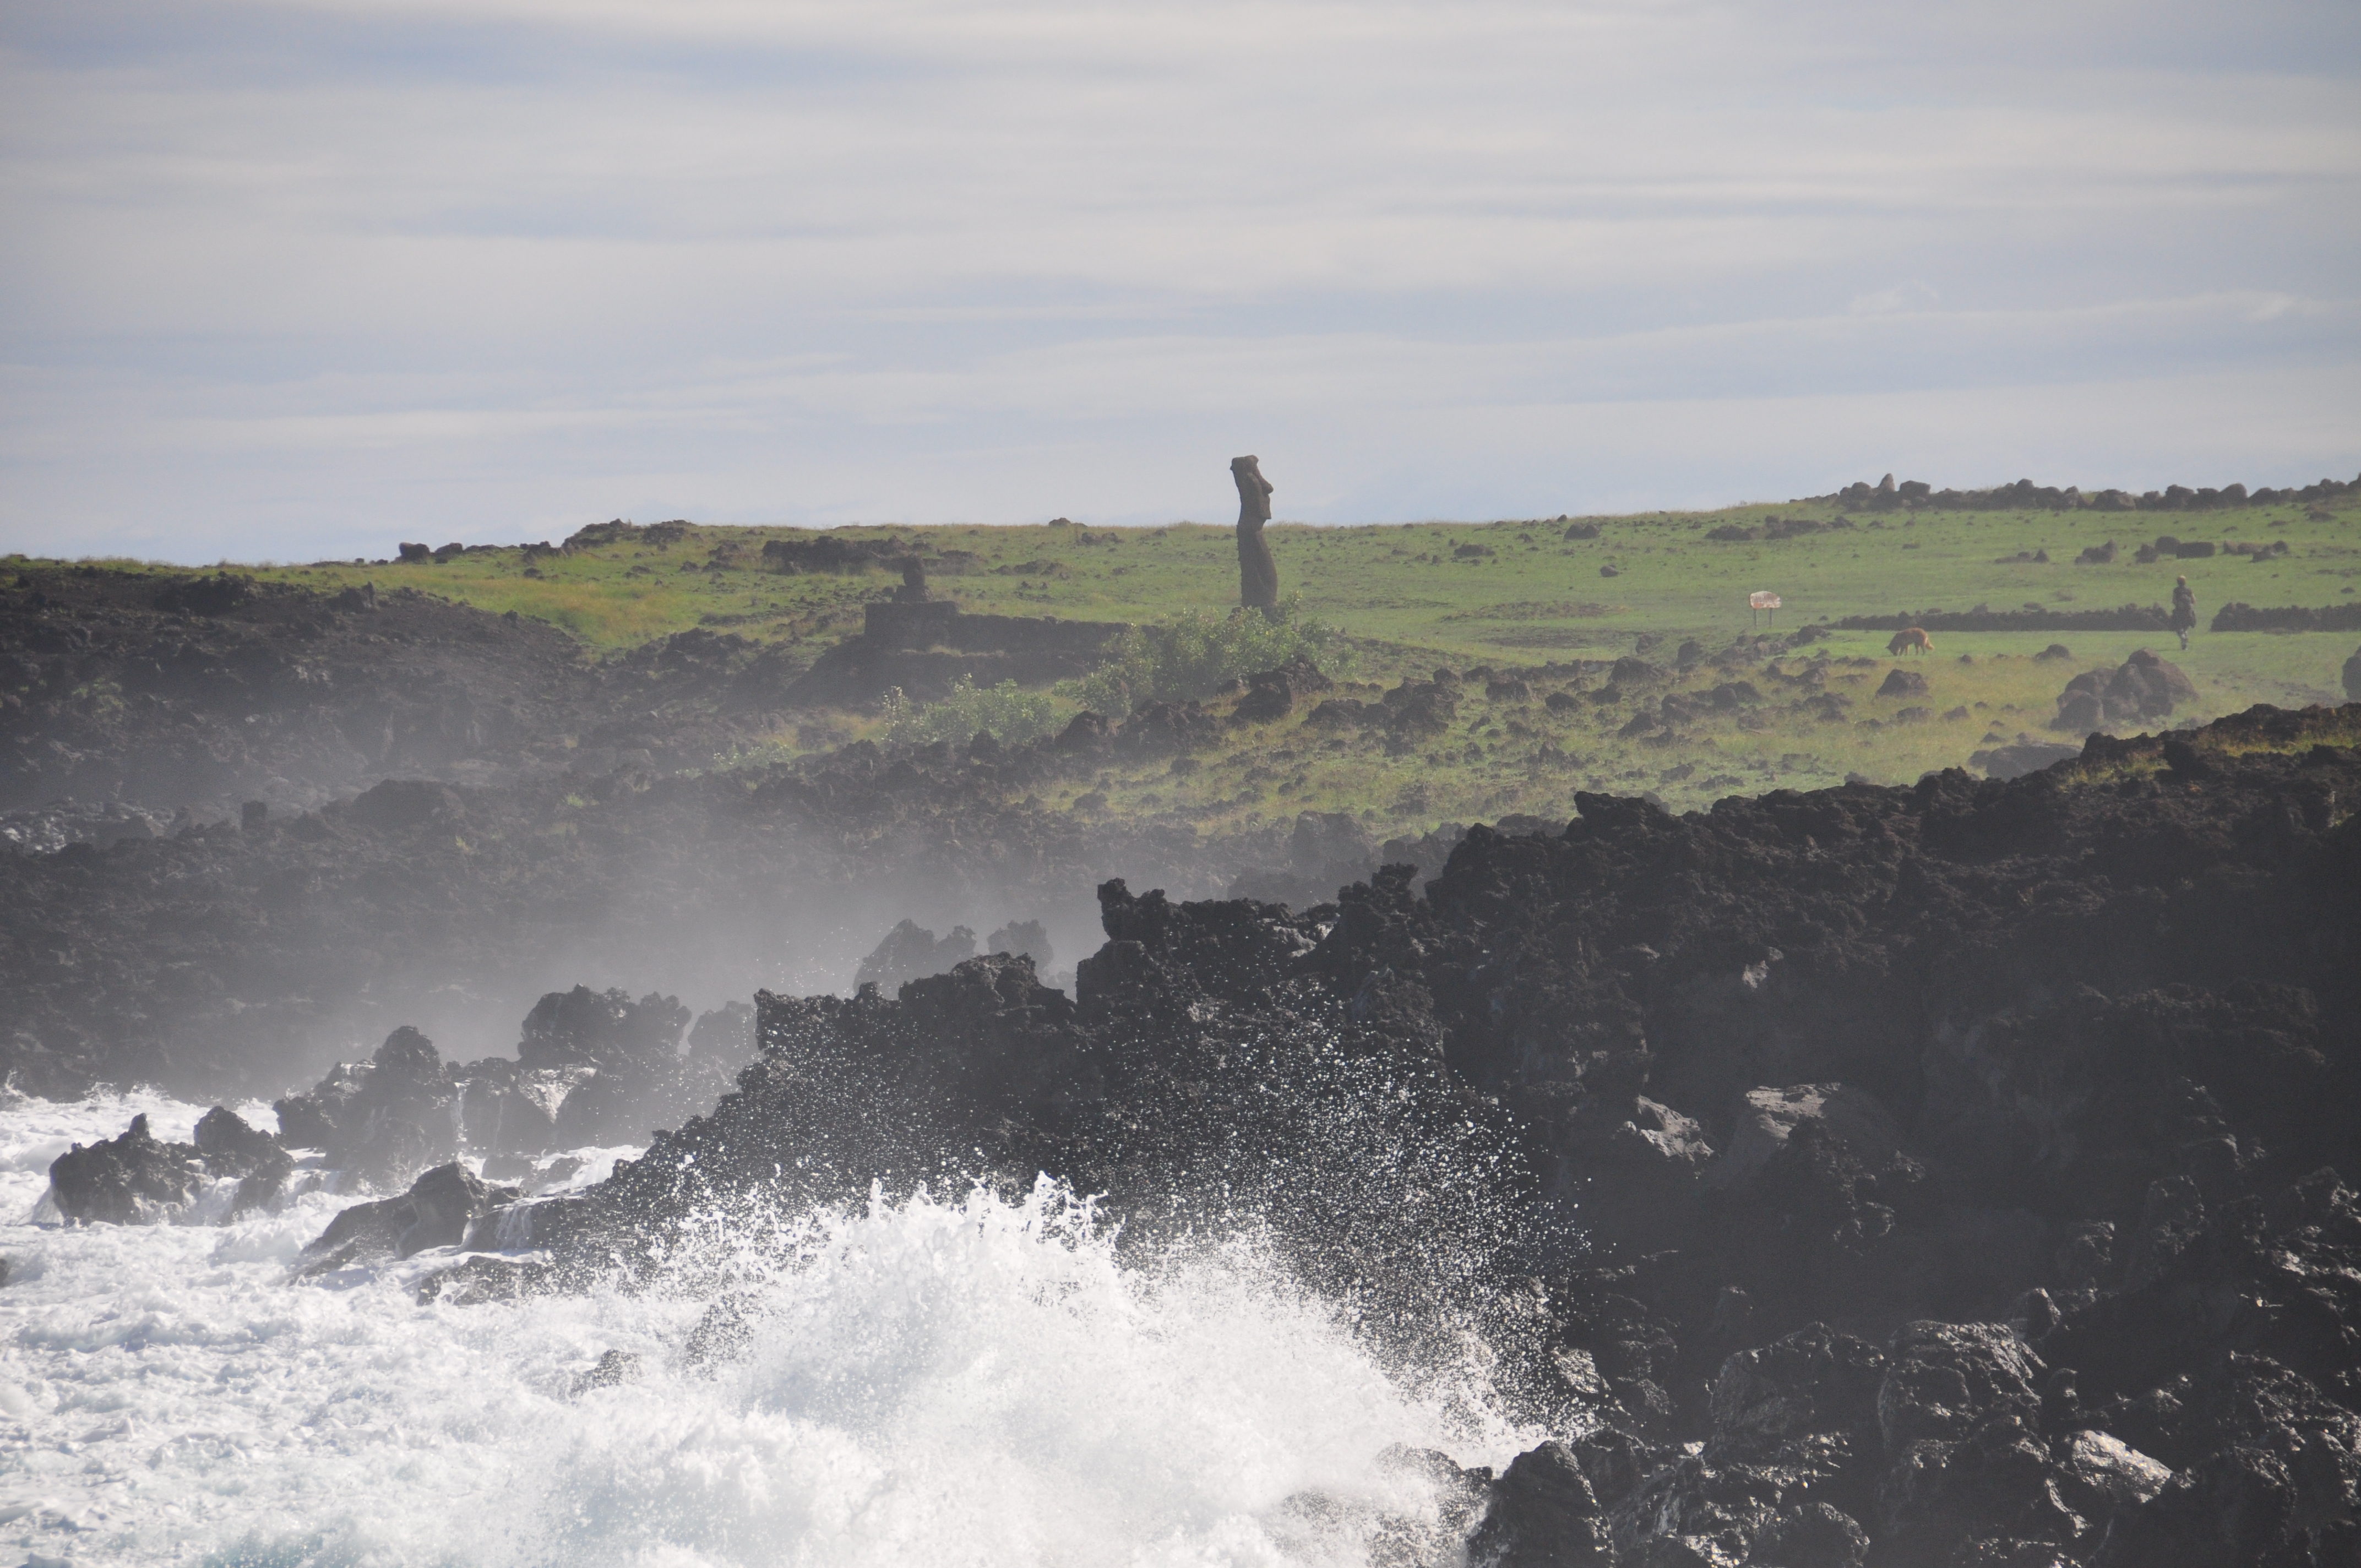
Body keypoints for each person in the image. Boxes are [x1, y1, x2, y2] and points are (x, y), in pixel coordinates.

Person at [2170, 574, 2197, 651]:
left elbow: (2174, 601)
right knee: (2185, 627)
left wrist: (2178, 605)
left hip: (2179, 612)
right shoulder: (2189, 590)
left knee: (2178, 627)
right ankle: (2185, 640)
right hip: (2188, 612)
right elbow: (2194, 601)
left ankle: (2183, 637)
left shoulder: (2176, 590)